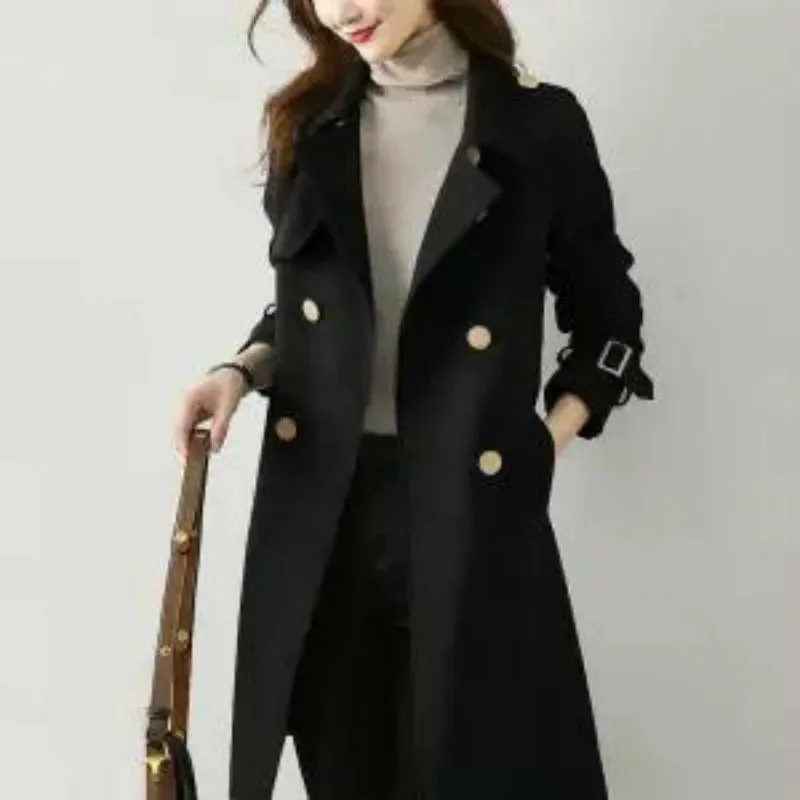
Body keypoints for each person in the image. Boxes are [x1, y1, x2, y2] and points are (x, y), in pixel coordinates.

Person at [174, 1, 655, 798]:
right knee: (344, 773)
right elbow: (321, 309)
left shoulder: (537, 126)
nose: (343, 11)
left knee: (479, 772)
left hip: (470, 508)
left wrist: (542, 443)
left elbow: (609, 319)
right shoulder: (310, 124)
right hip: (326, 511)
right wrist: (240, 370)